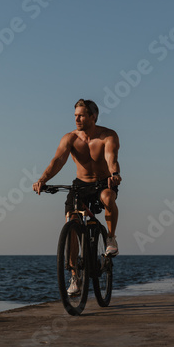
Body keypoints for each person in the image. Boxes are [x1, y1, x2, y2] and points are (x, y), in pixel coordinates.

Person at [33, 99, 122, 294]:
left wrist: (114, 175)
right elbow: (58, 160)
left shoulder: (107, 136)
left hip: (103, 182)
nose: (77, 119)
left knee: (108, 198)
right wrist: (42, 179)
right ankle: (75, 276)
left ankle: (110, 238)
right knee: (71, 224)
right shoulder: (70, 138)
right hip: (80, 185)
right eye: (75, 116)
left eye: (81, 115)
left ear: (93, 116)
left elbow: (111, 158)